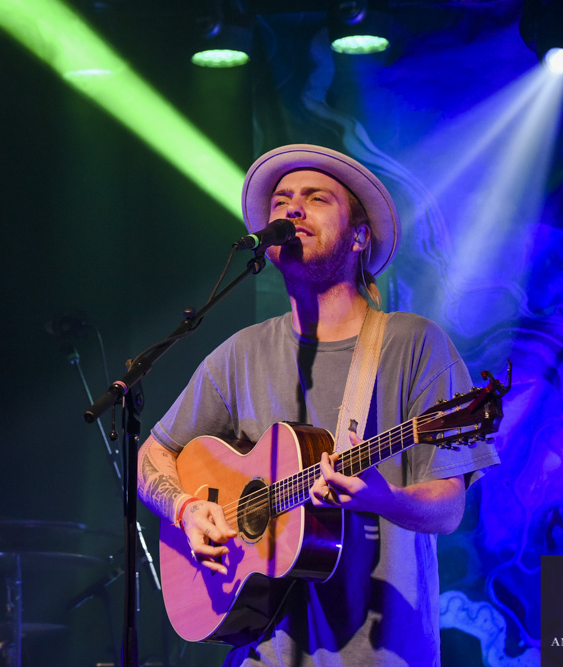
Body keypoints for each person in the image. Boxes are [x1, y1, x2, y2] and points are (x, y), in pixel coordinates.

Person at [137, 144, 501, 666]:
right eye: (282, 199)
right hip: (261, 649)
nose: (292, 209)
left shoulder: (413, 344)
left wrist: (381, 499)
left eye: (316, 197)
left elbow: (448, 508)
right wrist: (187, 508)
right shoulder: (241, 353)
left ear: (359, 236)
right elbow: (153, 454)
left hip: (380, 653)